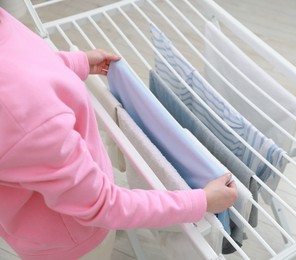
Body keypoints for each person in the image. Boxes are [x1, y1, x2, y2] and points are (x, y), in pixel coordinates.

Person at [0, 5, 237, 260]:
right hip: (76, 242)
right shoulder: (26, 118)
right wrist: (201, 202)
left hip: (67, 211)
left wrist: (72, 63)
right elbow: (103, 204)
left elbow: (27, 61)